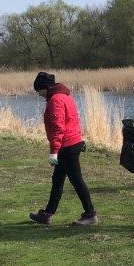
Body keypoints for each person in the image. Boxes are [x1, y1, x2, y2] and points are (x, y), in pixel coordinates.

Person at [29, 72, 98, 226]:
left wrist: (54, 152)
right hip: (72, 143)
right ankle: (47, 214)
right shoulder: (64, 96)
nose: (38, 94)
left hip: (67, 146)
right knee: (58, 180)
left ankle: (90, 214)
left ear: (45, 87)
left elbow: (58, 128)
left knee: (76, 180)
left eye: (39, 90)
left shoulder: (55, 100)